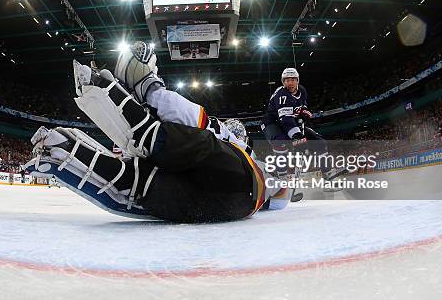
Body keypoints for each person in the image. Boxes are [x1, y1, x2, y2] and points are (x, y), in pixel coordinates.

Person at [25, 42, 291, 223]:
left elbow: (197, 122)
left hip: (237, 185)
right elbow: (281, 197)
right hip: (226, 208)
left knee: (197, 139)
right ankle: (59, 148)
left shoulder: (241, 151)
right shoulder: (263, 168)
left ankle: (146, 94)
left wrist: (151, 89)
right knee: (145, 184)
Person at [261, 67, 345, 180]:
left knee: (319, 142)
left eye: (293, 79)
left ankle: (328, 174)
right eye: (286, 80)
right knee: (280, 142)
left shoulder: (302, 90)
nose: (290, 82)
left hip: (290, 122)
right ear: (283, 82)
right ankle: (282, 178)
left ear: (297, 80)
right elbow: (286, 120)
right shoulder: (282, 95)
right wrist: (298, 137)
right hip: (272, 122)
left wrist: (303, 111)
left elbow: (301, 107)